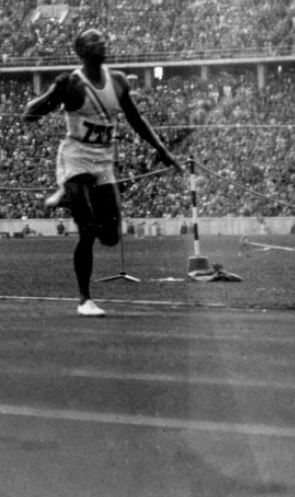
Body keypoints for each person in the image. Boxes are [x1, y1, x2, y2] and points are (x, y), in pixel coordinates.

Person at [23, 28, 183, 317]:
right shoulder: (72, 84)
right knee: (87, 229)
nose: (102, 43)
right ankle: (85, 299)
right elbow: (29, 114)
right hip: (76, 158)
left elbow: (135, 119)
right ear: (81, 51)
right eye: (94, 41)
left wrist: (162, 149)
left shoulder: (118, 81)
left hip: (104, 162)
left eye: (103, 40)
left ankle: (65, 196)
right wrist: (53, 94)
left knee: (110, 237)